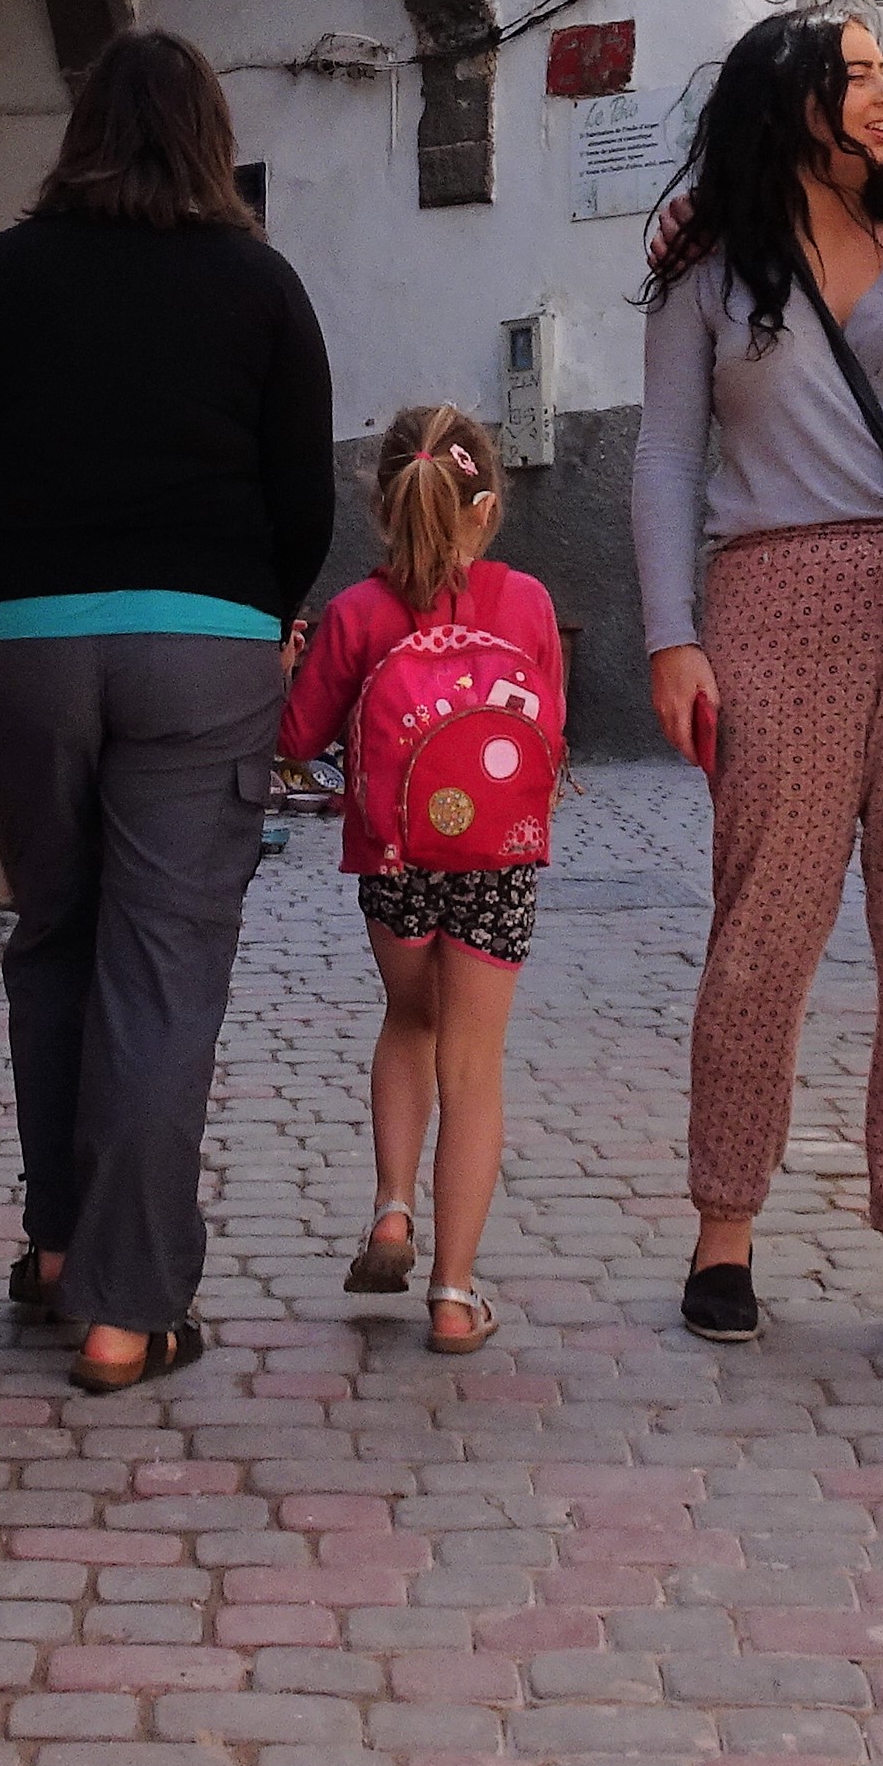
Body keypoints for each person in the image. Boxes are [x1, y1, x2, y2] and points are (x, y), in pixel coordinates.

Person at [0, 28, 333, 1393]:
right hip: (201, 644)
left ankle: (53, 1246)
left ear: (80, 129)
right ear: (211, 137)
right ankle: (124, 1304)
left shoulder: (4, 280)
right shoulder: (260, 285)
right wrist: (262, 617)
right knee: (160, 967)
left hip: (26, 635)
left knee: (55, 938)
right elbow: (305, 497)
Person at [637, 8, 883, 1365]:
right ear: (786, 98)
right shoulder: (705, 262)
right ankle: (723, 1229)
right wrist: (667, 633)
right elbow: (660, 454)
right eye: (856, 74)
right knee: (762, 934)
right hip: (773, 597)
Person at [281, 404, 567, 1358]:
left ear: (382, 506)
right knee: (472, 1068)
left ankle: (392, 1212)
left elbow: (295, 741)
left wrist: (290, 663)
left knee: (409, 1021)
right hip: (498, 860)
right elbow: (552, 730)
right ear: (486, 507)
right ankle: (452, 1294)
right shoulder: (524, 602)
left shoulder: (358, 614)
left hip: (394, 858)